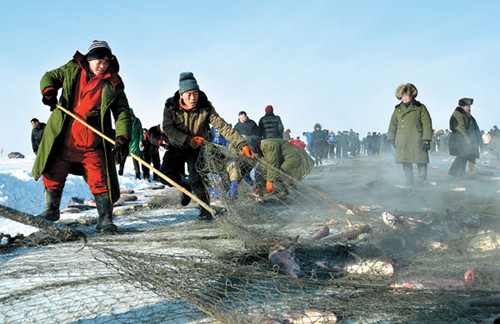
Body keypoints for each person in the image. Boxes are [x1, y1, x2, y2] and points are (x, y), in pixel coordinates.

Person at [33, 40, 132, 233]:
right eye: (99, 61)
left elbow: (122, 113)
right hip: (62, 140)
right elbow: (49, 77)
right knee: (53, 173)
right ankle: (52, 210)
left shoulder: (114, 84)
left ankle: (105, 219)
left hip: (92, 145)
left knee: (100, 179)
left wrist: (122, 138)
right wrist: (49, 92)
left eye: (106, 62)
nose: (102, 66)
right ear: (90, 58)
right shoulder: (72, 69)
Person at [160, 72, 252, 220]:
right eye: (189, 94)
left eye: (195, 93)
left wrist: (241, 144)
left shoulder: (205, 107)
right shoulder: (171, 106)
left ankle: (204, 210)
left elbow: (223, 126)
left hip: (197, 147)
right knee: (164, 174)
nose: (192, 98)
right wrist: (187, 139)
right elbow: (168, 128)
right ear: (181, 94)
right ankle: (185, 184)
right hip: (178, 144)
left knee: (198, 178)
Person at [387, 83, 432, 186]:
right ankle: (409, 181)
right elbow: (393, 124)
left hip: (417, 138)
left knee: (421, 160)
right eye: (403, 96)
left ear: (411, 95)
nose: (405, 98)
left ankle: (422, 181)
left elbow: (427, 124)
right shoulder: (397, 109)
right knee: (405, 161)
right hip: (403, 139)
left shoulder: (420, 107)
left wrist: (426, 139)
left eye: (407, 95)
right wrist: (391, 138)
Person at [448, 98, 482, 177]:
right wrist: (468, 141)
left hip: (467, 139)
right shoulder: (458, 114)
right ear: (463, 106)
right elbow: (461, 129)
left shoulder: (466, 114)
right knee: (462, 157)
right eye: (468, 105)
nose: (469, 107)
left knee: (466, 156)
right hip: (461, 140)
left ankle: (460, 173)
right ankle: (456, 173)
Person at [118, 108, 142, 179]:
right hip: (126, 142)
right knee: (123, 157)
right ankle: (120, 171)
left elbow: (140, 132)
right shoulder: (125, 122)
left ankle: (137, 175)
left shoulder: (137, 121)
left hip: (134, 142)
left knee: (135, 159)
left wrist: (141, 141)